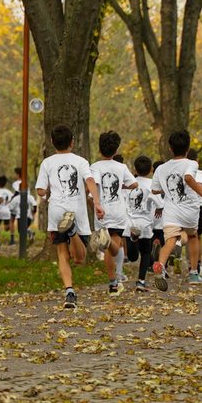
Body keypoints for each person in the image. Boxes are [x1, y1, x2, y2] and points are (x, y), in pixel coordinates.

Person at [35, 124, 102, 309]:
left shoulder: (47, 163)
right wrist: (96, 203)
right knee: (80, 259)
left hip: (56, 212)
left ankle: (69, 292)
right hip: (77, 212)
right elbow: (89, 181)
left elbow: (40, 189)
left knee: (62, 254)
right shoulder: (81, 161)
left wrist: (47, 192)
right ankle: (72, 231)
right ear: (72, 142)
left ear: (52, 142)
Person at [150, 130, 202, 290]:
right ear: (188, 147)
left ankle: (161, 266)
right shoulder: (191, 163)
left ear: (170, 148)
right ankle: (193, 273)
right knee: (192, 237)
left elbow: (155, 190)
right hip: (189, 210)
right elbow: (189, 178)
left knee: (170, 240)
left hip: (170, 211)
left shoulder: (161, 169)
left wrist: (167, 187)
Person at [92, 132, 137, 295]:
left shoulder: (95, 167)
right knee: (115, 247)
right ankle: (114, 283)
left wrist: (96, 203)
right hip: (118, 211)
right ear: (116, 150)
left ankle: (112, 282)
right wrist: (120, 187)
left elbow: (94, 186)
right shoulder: (121, 167)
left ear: (99, 148)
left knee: (108, 250)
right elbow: (134, 184)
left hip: (102, 211)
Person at [125, 155, 159, 293]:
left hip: (130, 222)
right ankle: (141, 282)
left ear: (135, 169)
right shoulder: (152, 184)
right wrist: (160, 208)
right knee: (145, 252)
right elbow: (159, 202)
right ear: (151, 169)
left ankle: (133, 240)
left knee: (132, 257)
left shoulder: (129, 183)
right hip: (145, 224)